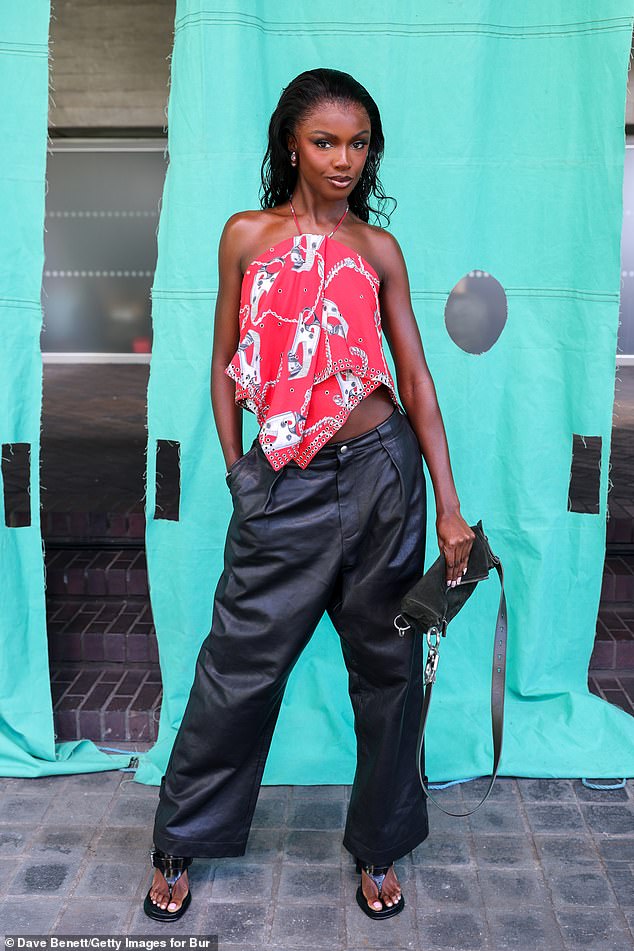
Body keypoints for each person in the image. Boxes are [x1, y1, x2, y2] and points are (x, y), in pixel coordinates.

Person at [144, 66, 474, 923]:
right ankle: (180, 838)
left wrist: (446, 502)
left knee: (390, 669)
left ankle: (379, 846)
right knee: (237, 668)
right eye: (325, 141)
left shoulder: (378, 250)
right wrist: (236, 469)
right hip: (283, 482)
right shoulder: (245, 235)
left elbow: (417, 376)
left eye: (358, 143)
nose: (344, 160)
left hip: (383, 480)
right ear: (290, 140)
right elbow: (223, 363)